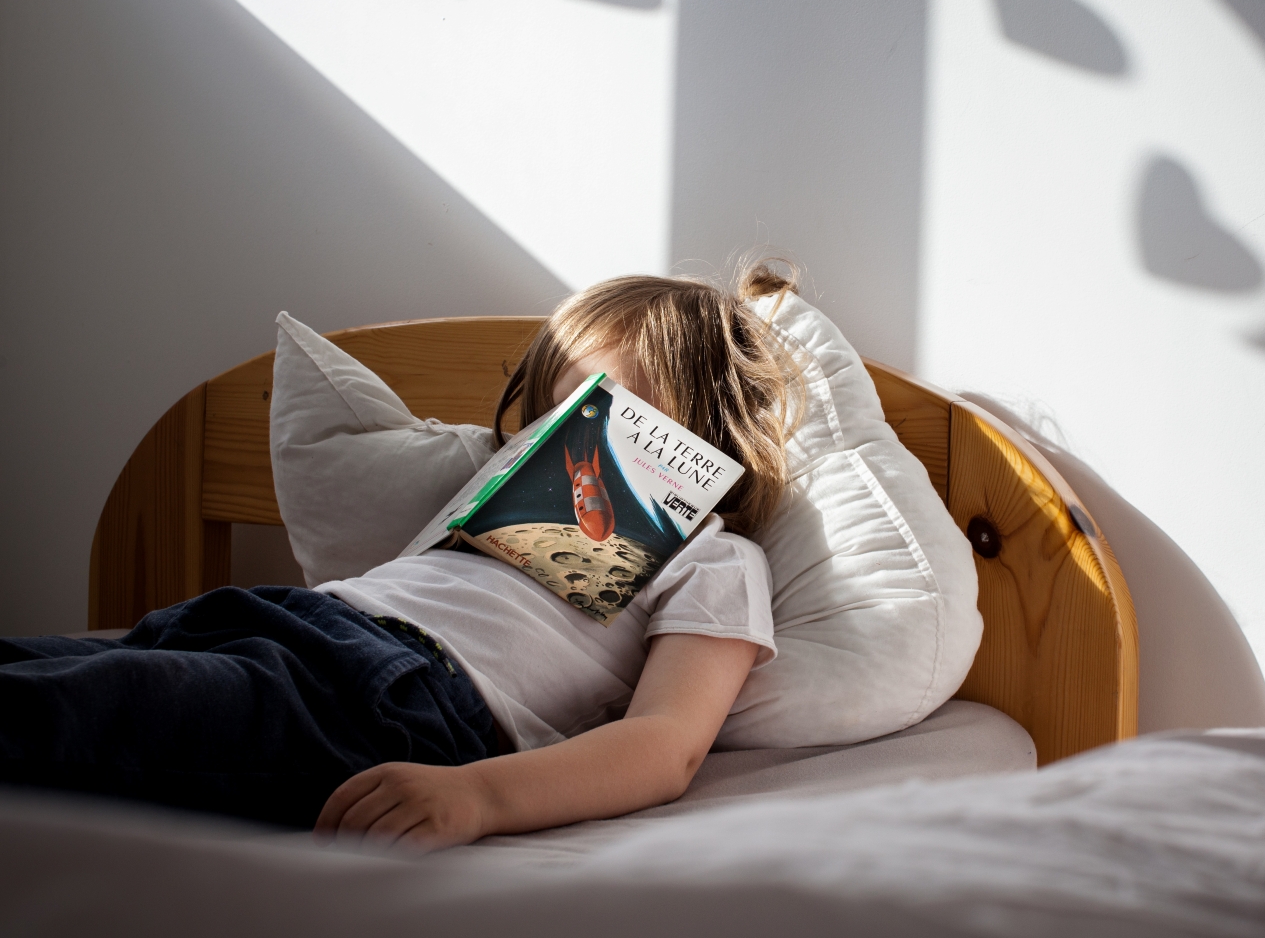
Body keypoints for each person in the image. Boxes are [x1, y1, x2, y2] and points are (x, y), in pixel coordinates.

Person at [0, 263, 801, 852]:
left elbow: (667, 742)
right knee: (56, 673)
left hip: (395, 694)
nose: (556, 433)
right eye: (547, 412)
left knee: (82, 719)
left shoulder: (715, 560)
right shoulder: (496, 497)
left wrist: (479, 794)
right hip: (289, 615)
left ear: (695, 425)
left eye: (593, 407)